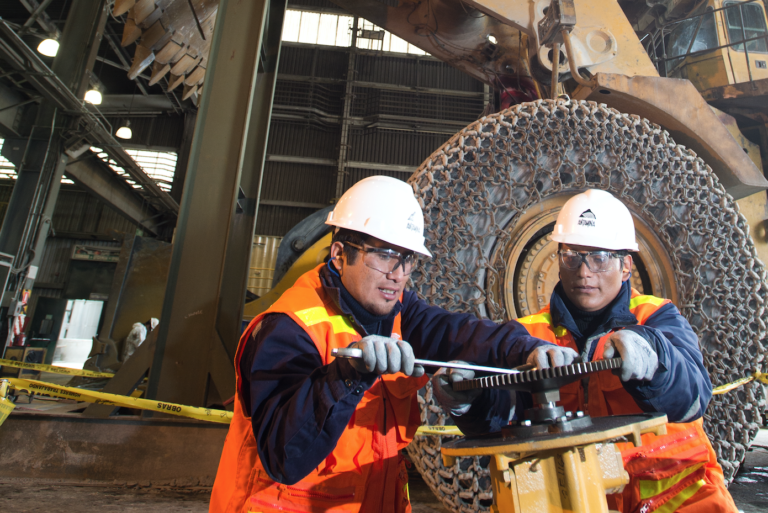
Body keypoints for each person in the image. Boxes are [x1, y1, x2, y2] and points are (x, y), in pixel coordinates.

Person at [209, 176, 572, 513]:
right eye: (384, 254)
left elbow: (461, 333)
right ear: (339, 254)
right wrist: (348, 376)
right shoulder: (288, 329)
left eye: (407, 258)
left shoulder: (398, 312)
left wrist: (526, 347)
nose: (398, 273)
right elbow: (284, 458)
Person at [432, 189, 738, 512]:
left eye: (599, 257)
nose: (584, 271)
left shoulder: (657, 317)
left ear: (625, 267)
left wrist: (656, 362)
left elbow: (694, 398)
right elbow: (507, 415)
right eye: (572, 255)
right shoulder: (530, 334)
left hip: (682, 499)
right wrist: (470, 400)